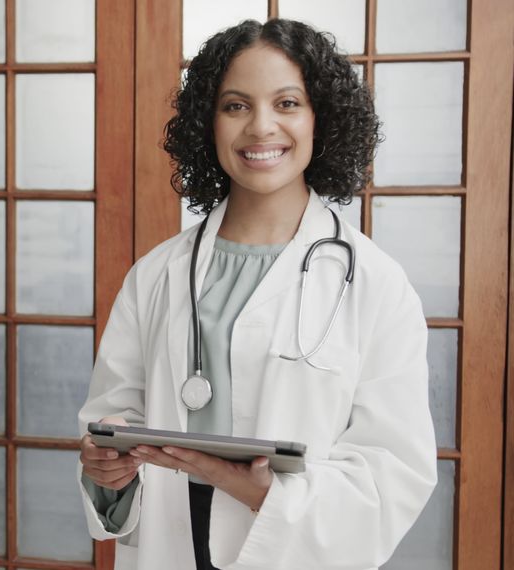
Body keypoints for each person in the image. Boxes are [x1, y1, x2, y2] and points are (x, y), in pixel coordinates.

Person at [76, 19, 436, 570]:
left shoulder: (376, 285)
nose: (261, 127)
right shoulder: (155, 275)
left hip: (288, 548)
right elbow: (112, 415)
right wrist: (107, 469)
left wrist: (260, 493)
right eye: (236, 106)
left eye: (287, 103)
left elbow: (393, 471)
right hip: (172, 544)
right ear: (209, 122)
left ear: (323, 120)